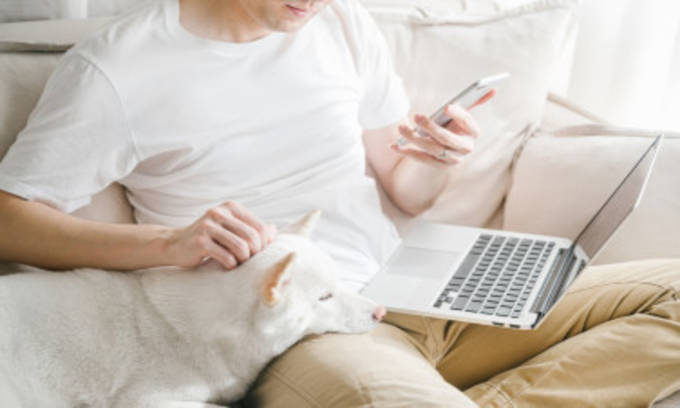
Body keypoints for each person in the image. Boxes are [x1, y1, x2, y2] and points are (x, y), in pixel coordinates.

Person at [0, 0, 677, 406]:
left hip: (422, 283)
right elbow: (9, 219)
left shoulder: (341, 22)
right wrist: (170, 244)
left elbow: (404, 188)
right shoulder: (117, 69)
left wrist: (437, 158)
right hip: (304, 329)